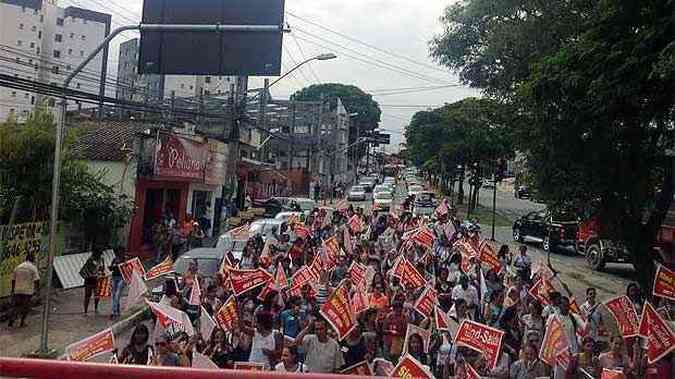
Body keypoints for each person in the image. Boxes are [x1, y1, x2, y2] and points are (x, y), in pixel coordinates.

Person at [8, 253, 40, 328]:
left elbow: (13, 280)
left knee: (15, 306)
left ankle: (11, 321)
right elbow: (37, 280)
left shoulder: (18, 267)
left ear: (26, 258)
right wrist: (37, 290)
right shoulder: (33, 268)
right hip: (27, 291)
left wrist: (13, 290)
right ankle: (22, 322)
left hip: (17, 290)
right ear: (32, 259)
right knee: (25, 307)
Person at [80, 248, 104, 314]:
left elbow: (102, 269)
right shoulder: (90, 260)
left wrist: (101, 274)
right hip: (89, 280)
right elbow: (83, 271)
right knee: (87, 296)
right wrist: (89, 275)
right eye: (98, 254)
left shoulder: (101, 259)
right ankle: (85, 311)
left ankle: (96, 308)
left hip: (97, 280)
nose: (99, 256)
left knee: (97, 295)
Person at [109, 248, 125, 320]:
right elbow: (111, 268)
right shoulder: (114, 259)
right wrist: (113, 267)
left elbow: (127, 269)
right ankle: (117, 311)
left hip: (121, 278)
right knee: (114, 295)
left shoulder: (125, 260)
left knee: (117, 295)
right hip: (114, 277)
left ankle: (113, 312)